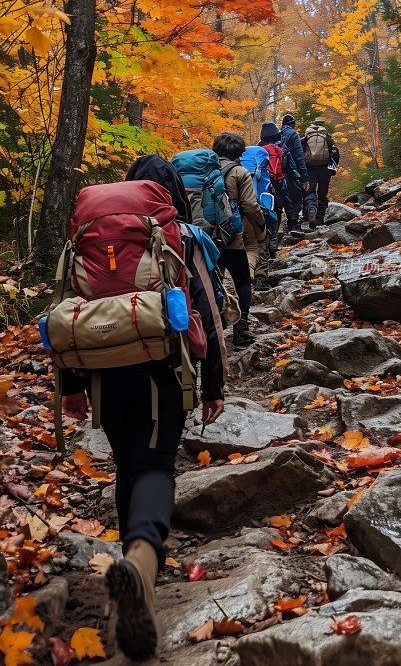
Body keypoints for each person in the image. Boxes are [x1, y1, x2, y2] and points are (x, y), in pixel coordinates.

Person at [60, 155, 227, 662]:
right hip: (163, 370)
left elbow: (71, 307)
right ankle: (141, 560)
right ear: (171, 191)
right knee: (156, 464)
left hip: (102, 372)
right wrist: (214, 386)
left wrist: (72, 385)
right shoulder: (179, 235)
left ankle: (133, 555)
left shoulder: (86, 237)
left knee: (128, 461)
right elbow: (205, 308)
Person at [212, 133, 266, 347]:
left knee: (209, 282)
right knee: (242, 280)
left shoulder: (204, 171)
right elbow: (251, 206)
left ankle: (211, 330)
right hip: (232, 236)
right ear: (239, 153)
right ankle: (241, 329)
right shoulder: (239, 172)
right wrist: (261, 226)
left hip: (206, 237)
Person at [302, 117, 340, 228]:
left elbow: (301, 151)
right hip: (325, 168)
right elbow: (334, 152)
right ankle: (320, 218)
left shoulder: (307, 136)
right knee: (323, 194)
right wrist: (333, 168)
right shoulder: (327, 137)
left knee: (310, 192)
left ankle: (311, 211)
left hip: (309, 168)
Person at [279, 114, 310, 233]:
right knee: (296, 199)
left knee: (283, 200)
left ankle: (282, 229)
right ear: (293, 124)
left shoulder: (279, 134)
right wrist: (304, 177)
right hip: (292, 173)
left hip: (278, 172)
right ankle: (293, 227)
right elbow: (299, 156)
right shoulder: (293, 134)